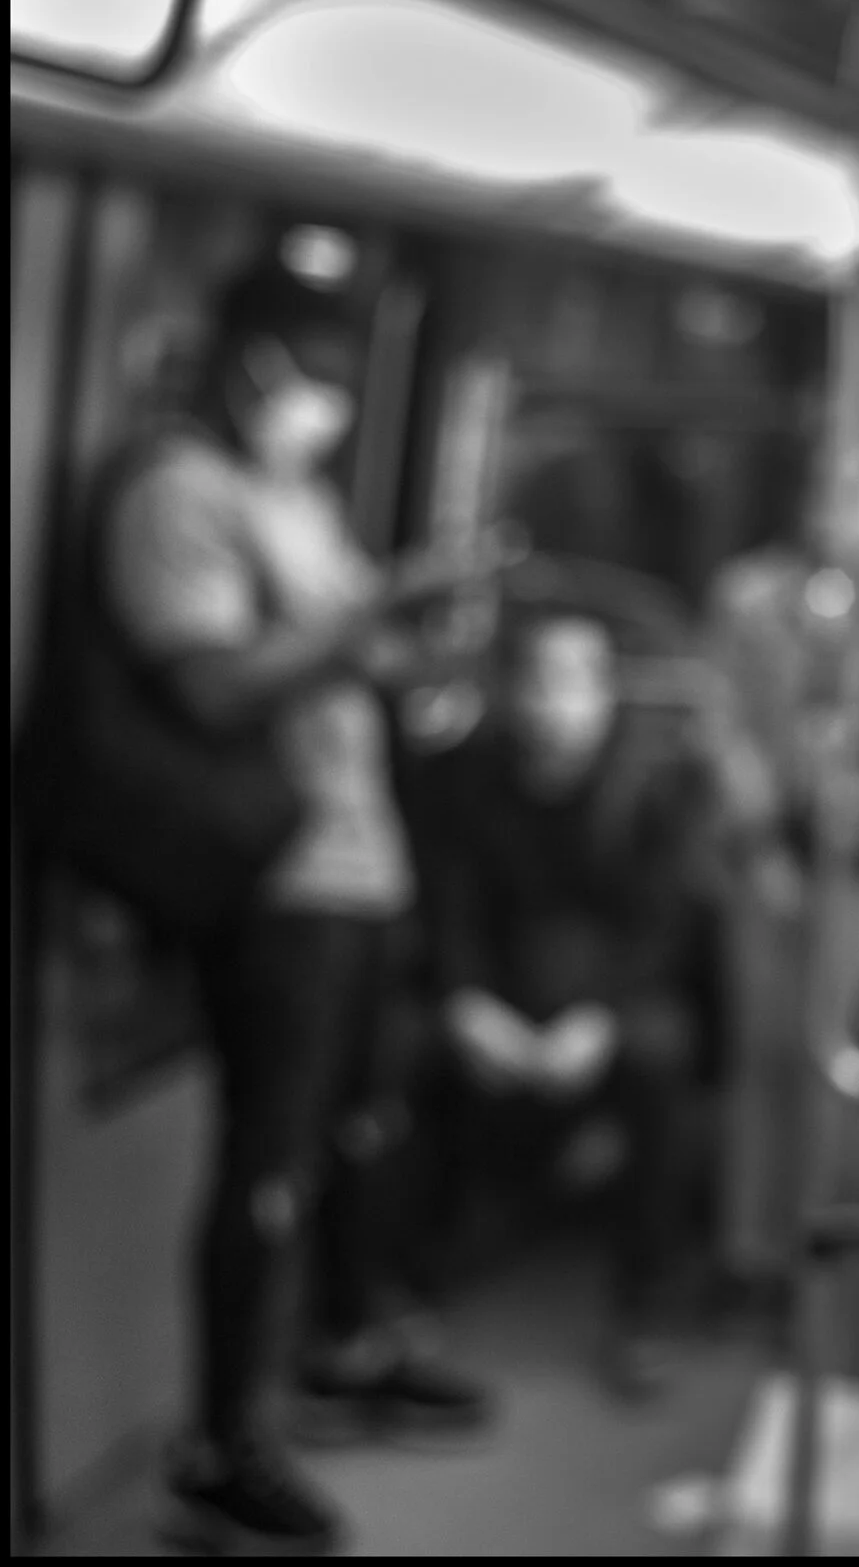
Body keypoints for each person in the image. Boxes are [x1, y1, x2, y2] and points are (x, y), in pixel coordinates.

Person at [101, 263, 497, 1556]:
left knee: (359, 1127)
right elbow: (213, 687)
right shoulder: (178, 495)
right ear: (251, 366)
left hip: (362, 862)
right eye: (311, 376)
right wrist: (363, 619)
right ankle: (220, 1441)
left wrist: (417, 635)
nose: (323, 405)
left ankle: (340, 1346)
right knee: (266, 1160)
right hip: (275, 883)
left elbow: (362, 659)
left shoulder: (297, 500)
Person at [417, 606, 712, 1399]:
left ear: (607, 690)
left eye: (575, 680)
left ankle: (645, 1300)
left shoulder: (652, 782)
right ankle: (414, 1275)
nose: (554, 701)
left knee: (661, 1055)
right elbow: (453, 905)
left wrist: (603, 1016)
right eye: (537, 679)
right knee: (405, 1050)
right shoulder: (471, 779)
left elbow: (664, 927)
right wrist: (464, 1001)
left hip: (609, 998)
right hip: (503, 990)